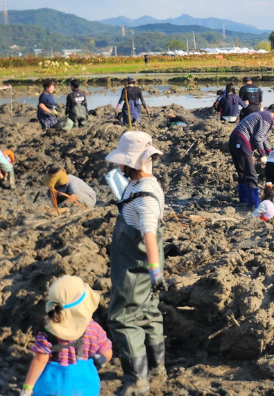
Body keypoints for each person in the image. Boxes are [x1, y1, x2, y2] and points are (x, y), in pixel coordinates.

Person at [105, 131, 167, 395]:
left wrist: (155, 272)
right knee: (148, 311)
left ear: (132, 162)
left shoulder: (144, 197)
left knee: (123, 317)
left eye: (122, 161)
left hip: (135, 266)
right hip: (138, 261)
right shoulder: (143, 183)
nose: (118, 165)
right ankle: (157, 369)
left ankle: (137, 381)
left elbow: (149, 234)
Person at [20, 275, 113, 396]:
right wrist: (99, 362)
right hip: (85, 387)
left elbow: (40, 360)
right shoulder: (94, 329)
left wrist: (27, 387)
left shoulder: (47, 332)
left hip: (52, 387)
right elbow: (107, 353)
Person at [229, 105, 274, 211]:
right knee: (251, 175)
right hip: (242, 142)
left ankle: (244, 200)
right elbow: (258, 138)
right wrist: (262, 154)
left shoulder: (262, 115)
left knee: (242, 173)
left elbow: (263, 137)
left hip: (234, 140)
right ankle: (254, 205)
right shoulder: (267, 118)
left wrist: (269, 151)